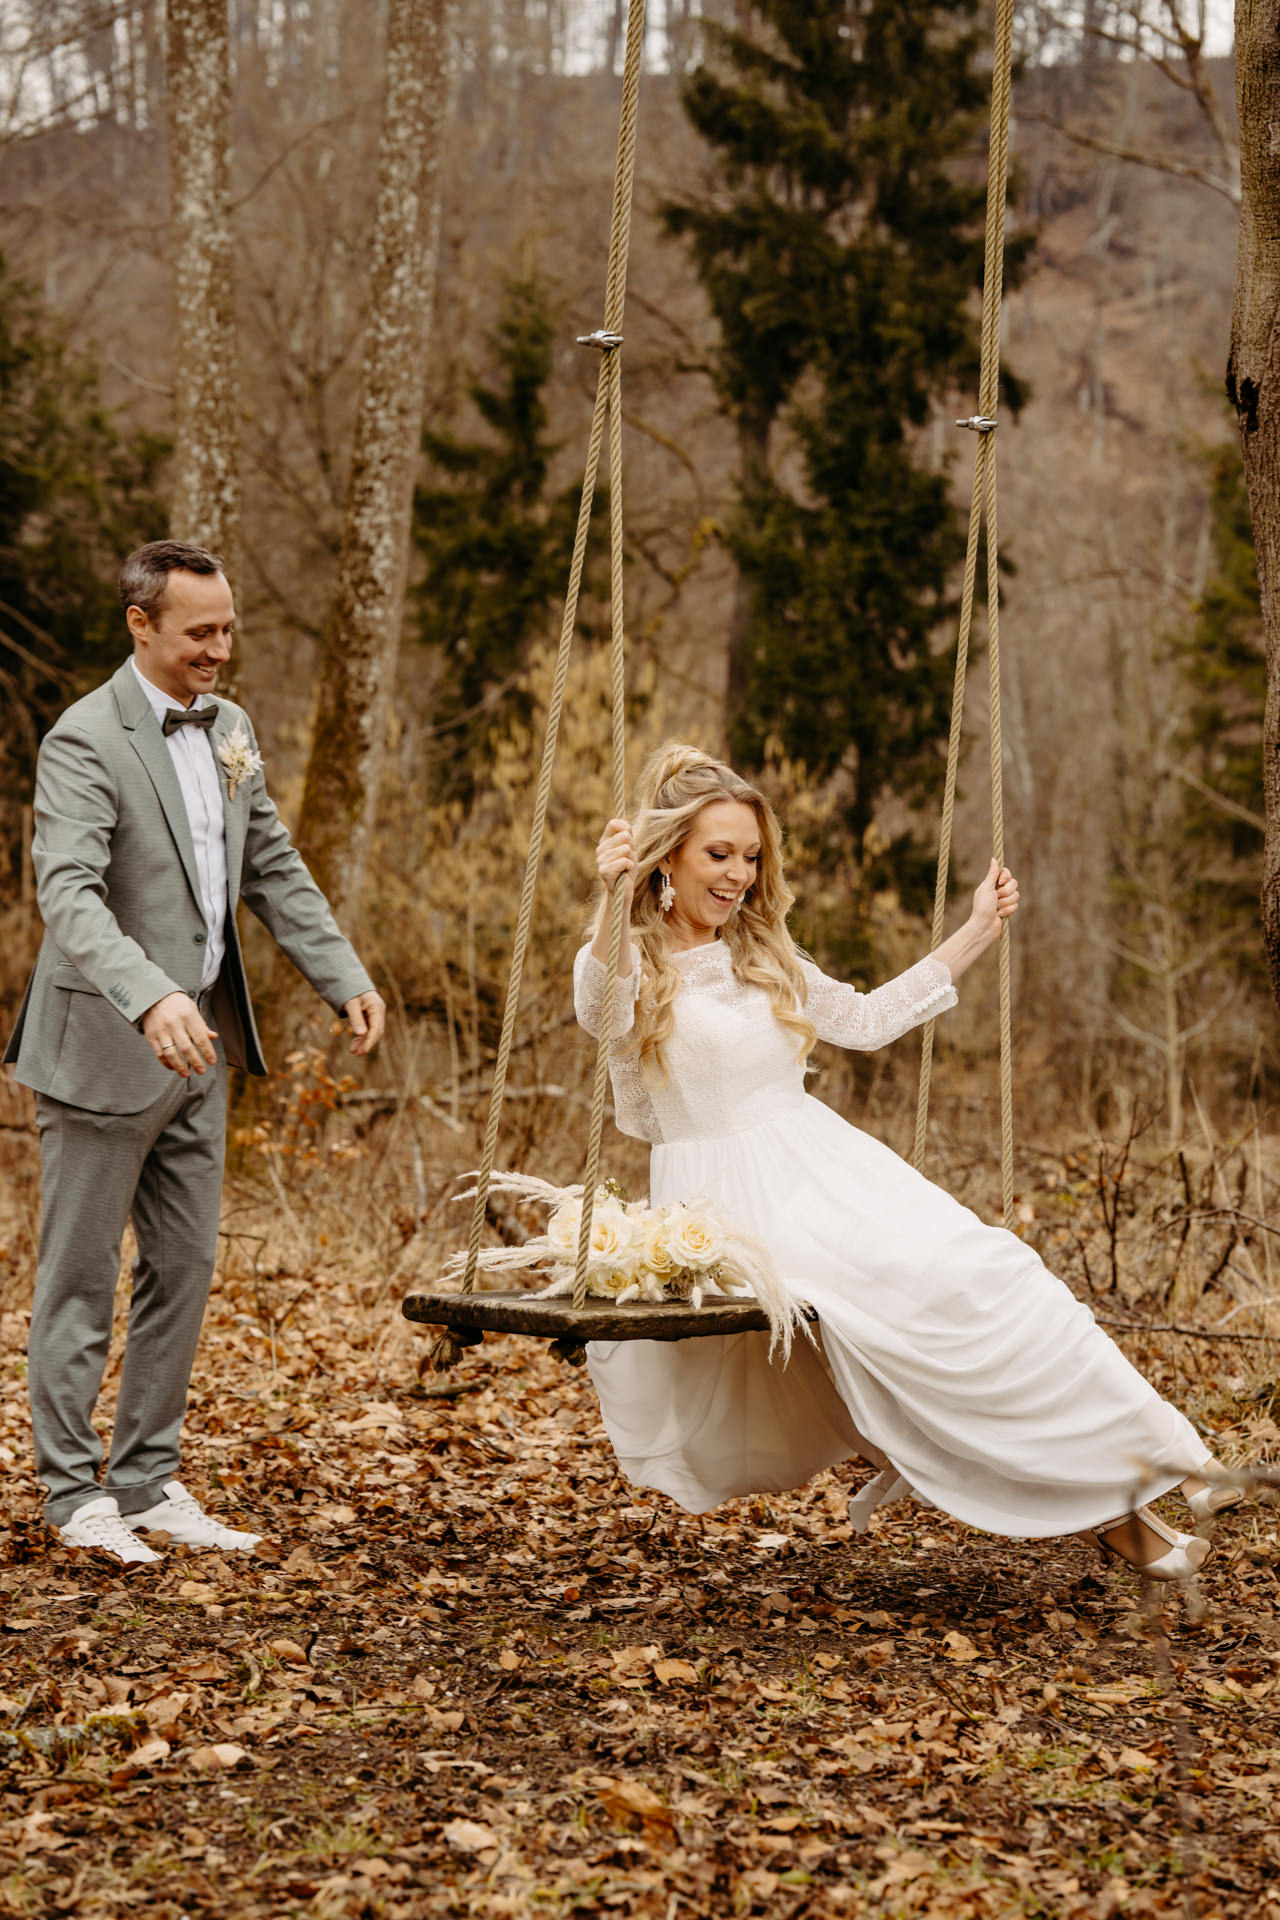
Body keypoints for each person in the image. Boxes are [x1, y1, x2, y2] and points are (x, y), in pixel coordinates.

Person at [573, 744, 1241, 1581]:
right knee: (928, 1325)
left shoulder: (761, 955)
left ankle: (1176, 1464)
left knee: (1004, 1276)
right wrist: (612, 898)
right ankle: (1136, 1506)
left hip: (830, 1169)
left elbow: (866, 1020)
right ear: (667, 856)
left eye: (751, 856)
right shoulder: (632, 961)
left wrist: (977, 929)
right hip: (735, 1205)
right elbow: (601, 1011)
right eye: (719, 854)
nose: (740, 874)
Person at [4, 540, 386, 1567]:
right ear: (141, 624)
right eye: (199, 633)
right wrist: (150, 995)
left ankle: (146, 1481)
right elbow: (69, 894)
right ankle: (71, 1493)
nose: (219, 650)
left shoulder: (231, 728)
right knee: (80, 1279)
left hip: (202, 1052)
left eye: (227, 630)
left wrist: (342, 973)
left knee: (183, 1266)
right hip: (102, 1049)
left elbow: (271, 865)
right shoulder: (84, 738)